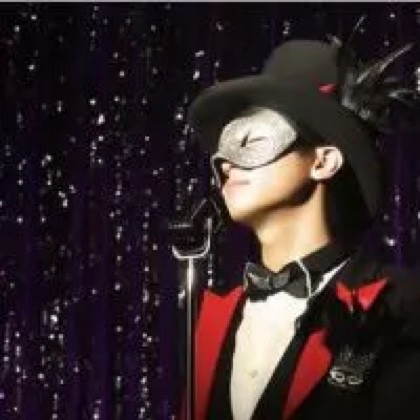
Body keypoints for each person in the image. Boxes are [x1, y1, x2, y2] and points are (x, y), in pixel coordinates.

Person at [185, 23, 420, 420]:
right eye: (226, 143)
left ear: (323, 161)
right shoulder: (208, 320)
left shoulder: (400, 306)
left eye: (254, 139)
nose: (225, 162)